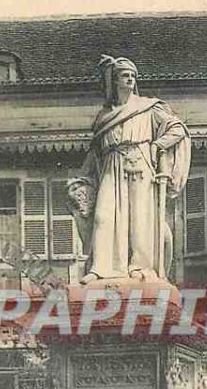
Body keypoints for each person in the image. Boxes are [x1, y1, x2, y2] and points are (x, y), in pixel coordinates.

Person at [68, 55, 191, 284]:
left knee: (139, 219)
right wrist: (82, 179)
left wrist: (157, 145)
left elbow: (177, 129)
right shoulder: (105, 115)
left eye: (133, 76)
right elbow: (94, 152)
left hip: (140, 163)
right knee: (104, 218)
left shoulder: (147, 108)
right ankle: (100, 267)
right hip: (111, 166)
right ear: (114, 80)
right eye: (125, 76)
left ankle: (139, 267)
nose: (130, 80)